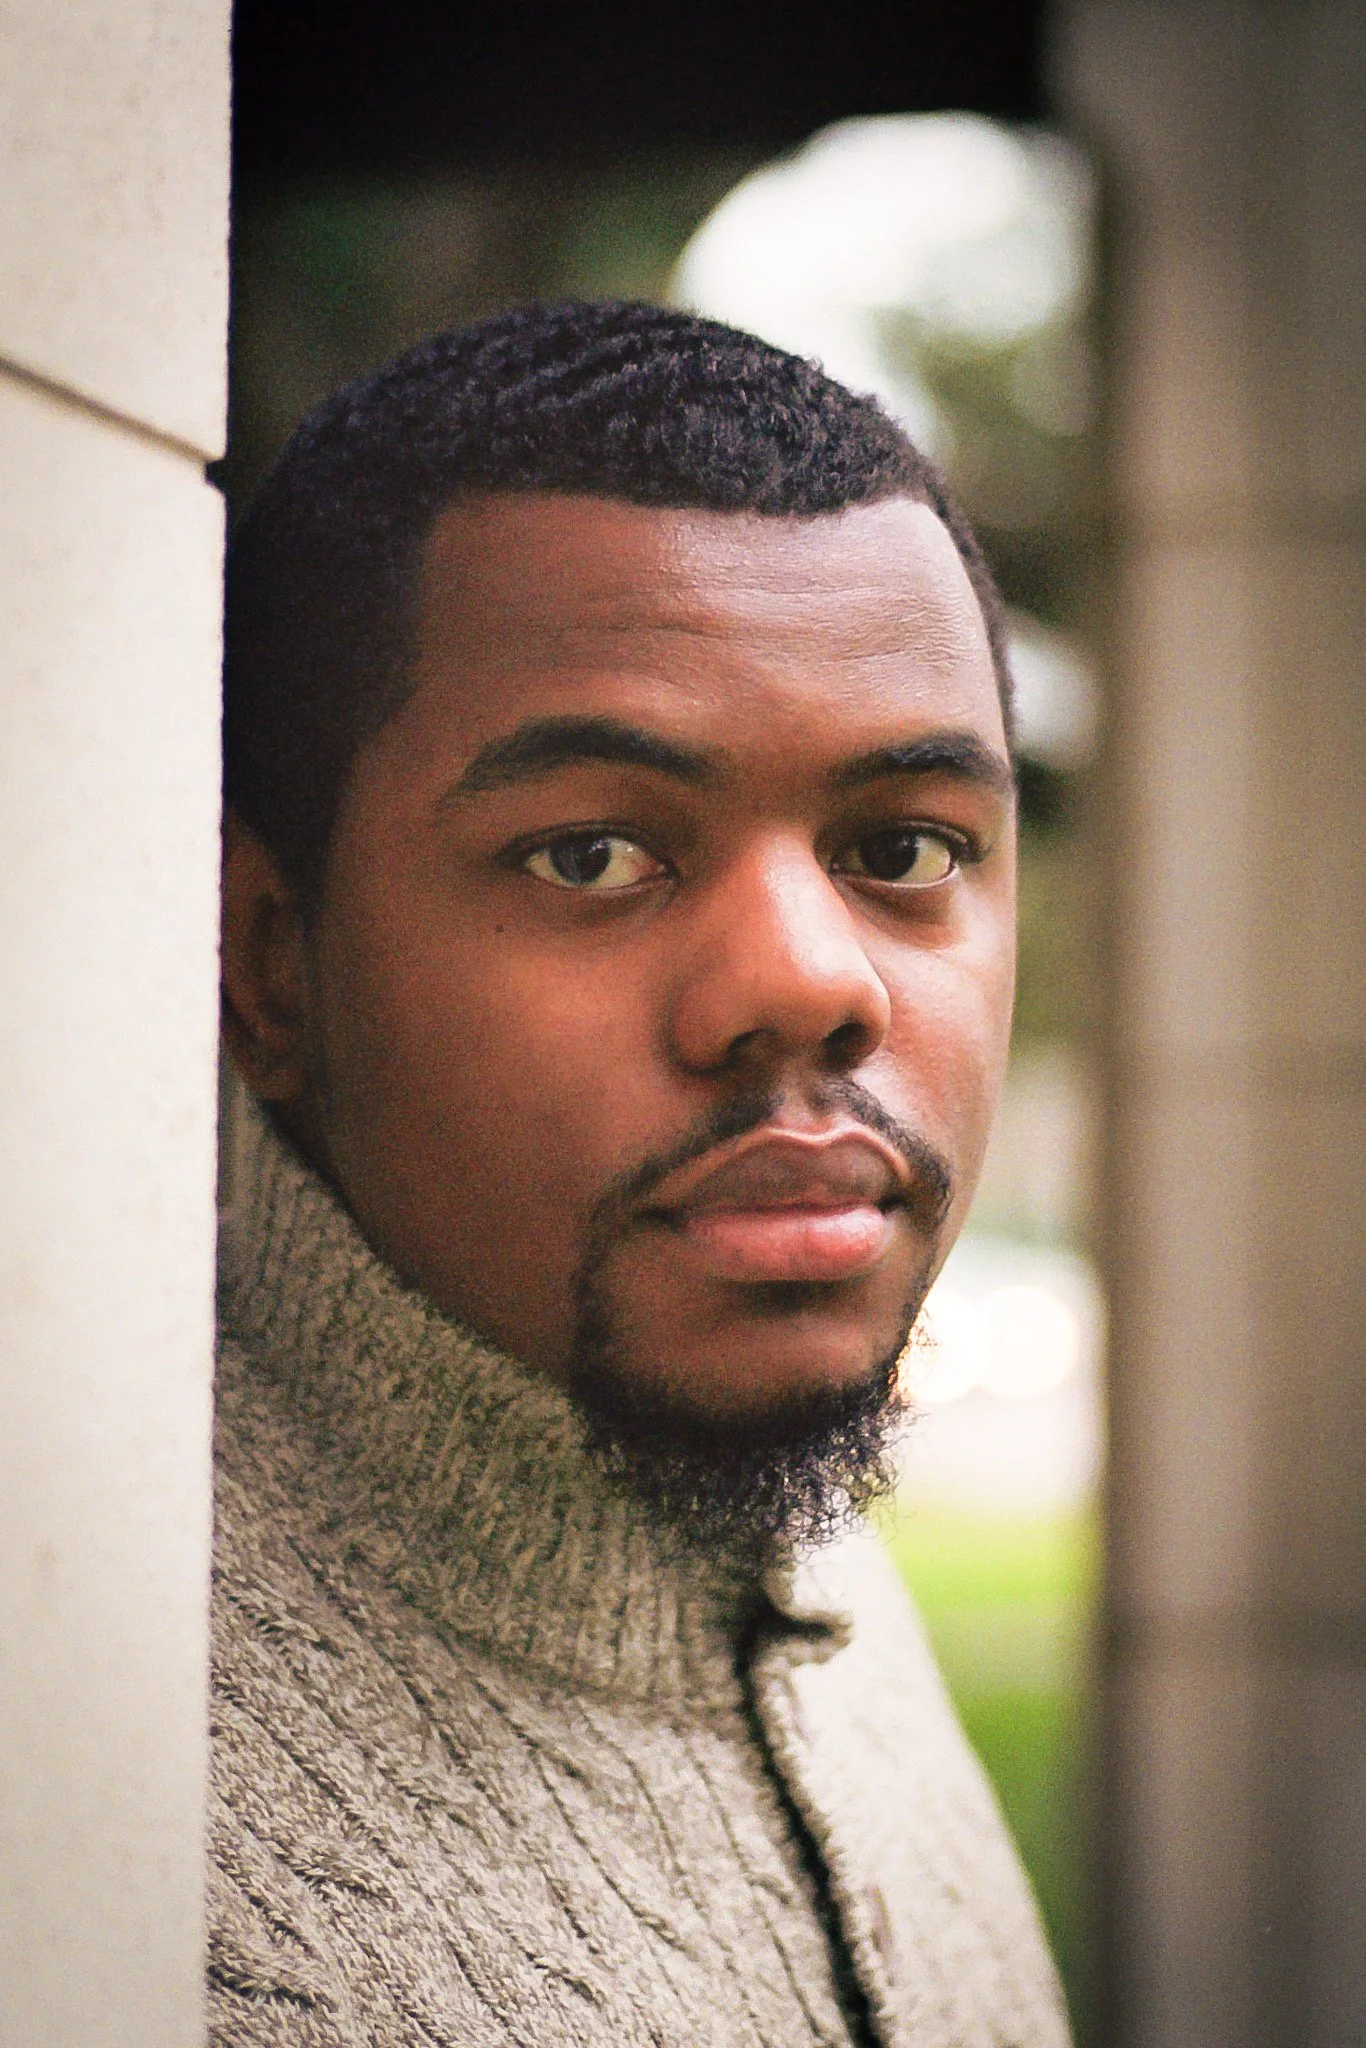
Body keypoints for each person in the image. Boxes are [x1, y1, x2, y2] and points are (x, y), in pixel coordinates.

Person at [212, 299, 1069, 2047]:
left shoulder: (800, 1562)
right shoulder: (99, 1795)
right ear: (270, 965)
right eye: (592, 854)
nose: (807, 983)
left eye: (904, 847)